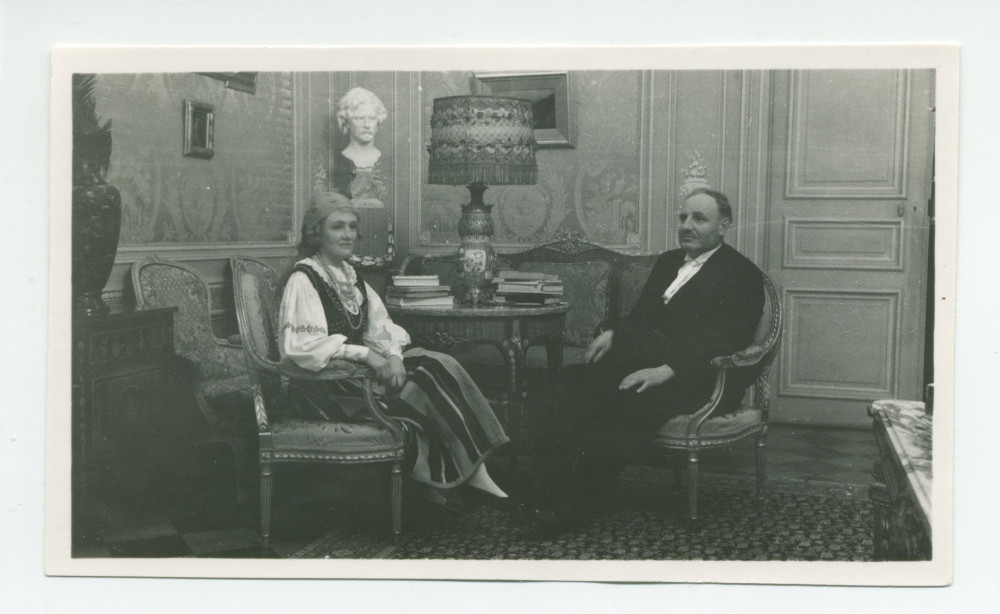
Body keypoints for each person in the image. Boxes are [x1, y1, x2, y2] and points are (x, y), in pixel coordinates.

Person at [521, 188, 765, 535]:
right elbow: (643, 316)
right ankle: (539, 494)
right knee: (564, 386)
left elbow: (726, 342)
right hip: (641, 366)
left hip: (698, 380)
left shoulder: (742, 274)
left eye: (699, 218)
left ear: (723, 226)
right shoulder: (668, 262)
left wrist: (667, 370)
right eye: (683, 217)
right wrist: (612, 333)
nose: (687, 226)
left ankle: (570, 509)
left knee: (623, 410)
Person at [278, 191, 510, 506]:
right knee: (430, 372)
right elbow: (303, 348)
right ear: (316, 232)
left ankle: (471, 471)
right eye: (337, 227)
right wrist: (366, 355)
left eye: (352, 226)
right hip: (327, 388)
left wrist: (395, 356)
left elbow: (381, 327)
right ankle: (463, 475)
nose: (348, 235)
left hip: (358, 375)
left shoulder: (348, 274)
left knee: (440, 363)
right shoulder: (304, 278)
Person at [333, 87, 388, 206]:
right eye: (359, 118)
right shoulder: (341, 159)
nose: (367, 125)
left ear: (378, 122)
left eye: (372, 118)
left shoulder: (385, 160)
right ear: (346, 122)